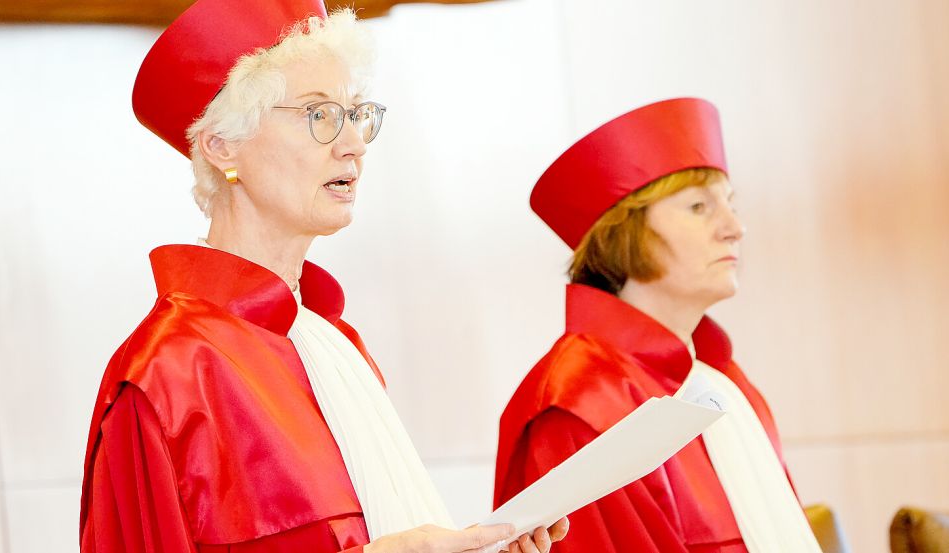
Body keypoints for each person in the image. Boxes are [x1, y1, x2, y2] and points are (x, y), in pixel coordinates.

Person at [79, 1, 567, 551]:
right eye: (319, 115)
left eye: (355, 113)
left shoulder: (334, 344)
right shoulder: (167, 372)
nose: (353, 142)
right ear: (222, 146)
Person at [494, 98, 822, 553]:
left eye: (729, 204)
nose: (734, 228)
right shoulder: (581, 403)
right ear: (623, 231)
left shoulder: (724, 382)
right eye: (698, 207)